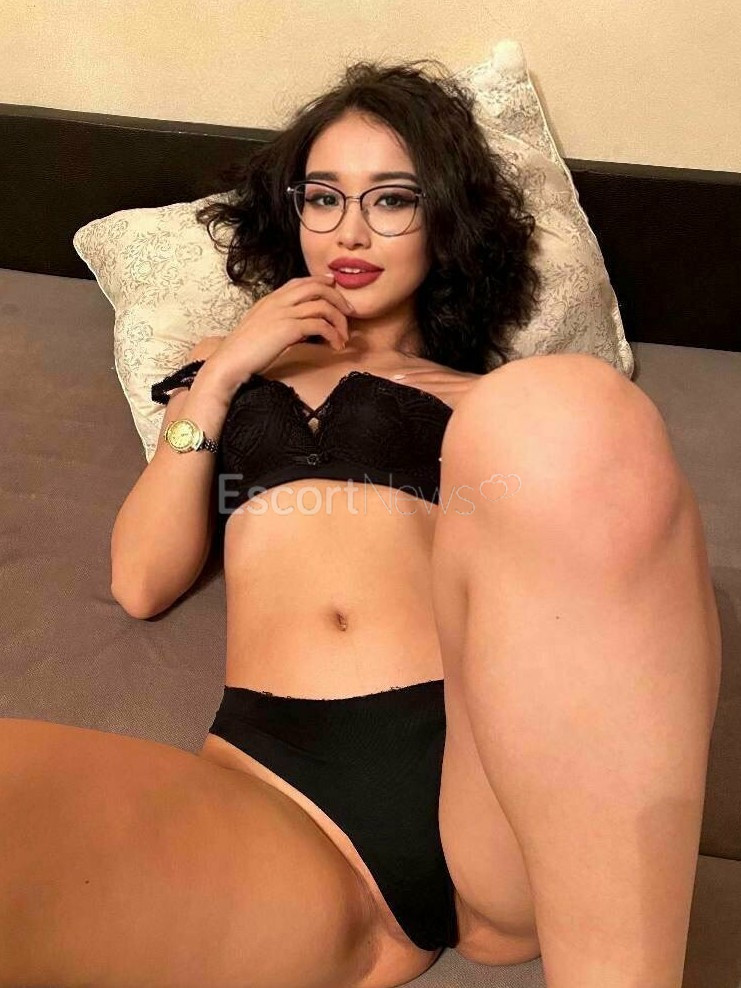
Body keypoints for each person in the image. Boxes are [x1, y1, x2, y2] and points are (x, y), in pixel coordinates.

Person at [1, 58, 720, 988]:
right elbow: (140, 578)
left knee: (568, 406)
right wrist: (223, 374)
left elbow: (592, 561)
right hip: (281, 792)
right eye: (323, 198)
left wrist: (526, 415)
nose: (349, 231)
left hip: (487, 775)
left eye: (391, 200)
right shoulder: (226, 370)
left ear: (443, 221)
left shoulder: (492, 400)